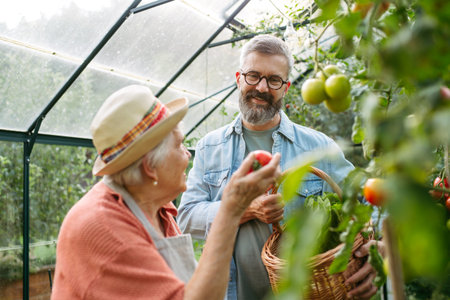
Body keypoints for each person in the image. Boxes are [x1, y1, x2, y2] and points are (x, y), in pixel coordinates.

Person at [178, 35, 383, 300]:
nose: (262, 88)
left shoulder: (319, 147)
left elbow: (368, 203)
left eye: (274, 80)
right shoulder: (210, 147)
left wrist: (377, 256)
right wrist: (243, 208)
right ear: (238, 78)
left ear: (285, 88)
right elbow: (186, 217)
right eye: (253, 76)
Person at [51, 85, 281, 300]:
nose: (187, 155)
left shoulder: (157, 211)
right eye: (179, 145)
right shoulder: (104, 229)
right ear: (150, 168)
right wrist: (231, 208)